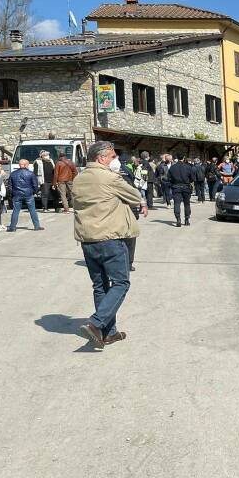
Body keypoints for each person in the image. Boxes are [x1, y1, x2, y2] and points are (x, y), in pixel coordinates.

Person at [72, 141, 147, 349]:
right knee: (121, 283)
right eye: (113, 157)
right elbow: (134, 195)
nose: (115, 160)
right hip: (110, 238)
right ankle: (96, 324)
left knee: (100, 286)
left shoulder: (79, 178)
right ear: (101, 158)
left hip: (87, 239)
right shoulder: (110, 177)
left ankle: (108, 333)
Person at [7, 158, 42, 232]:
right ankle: (37, 226)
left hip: (16, 194)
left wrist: (12, 193)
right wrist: (34, 192)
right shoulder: (30, 173)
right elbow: (35, 185)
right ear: (26, 165)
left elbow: (9, 186)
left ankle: (12, 227)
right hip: (28, 194)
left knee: (15, 211)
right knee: (32, 210)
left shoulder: (13, 174)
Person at [168, 154, 195, 227]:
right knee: (187, 204)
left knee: (177, 203)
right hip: (186, 186)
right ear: (183, 158)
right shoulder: (188, 167)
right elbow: (192, 178)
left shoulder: (172, 167)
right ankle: (186, 220)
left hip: (176, 187)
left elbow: (169, 178)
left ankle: (178, 219)